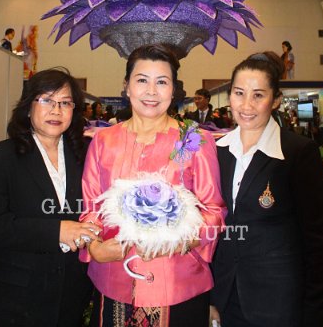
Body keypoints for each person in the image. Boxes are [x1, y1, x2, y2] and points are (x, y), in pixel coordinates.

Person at [80, 43, 226, 326]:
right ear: (126, 86)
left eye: (161, 82)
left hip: (178, 283)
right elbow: (90, 209)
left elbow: (214, 213)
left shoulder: (193, 139)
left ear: (173, 89)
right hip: (113, 279)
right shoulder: (103, 141)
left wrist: (176, 242)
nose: (151, 91)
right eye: (141, 80)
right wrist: (95, 247)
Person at [210, 51, 323, 327]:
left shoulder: (297, 153)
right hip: (226, 299)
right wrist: (210, 298)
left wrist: (315, 312)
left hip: (279, 302)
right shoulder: (217, 151)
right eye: (239, 93)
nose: (246, 105)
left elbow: (319, 243)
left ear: (276, 100)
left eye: (258, 95)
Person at [0, 68, 99, 327]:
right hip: (18, 294)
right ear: (28, 106)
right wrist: (57, 231)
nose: (56, 110)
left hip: (72, 292)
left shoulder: (86, 155)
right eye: (46, 100)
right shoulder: (0, 157)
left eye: (65, 103)